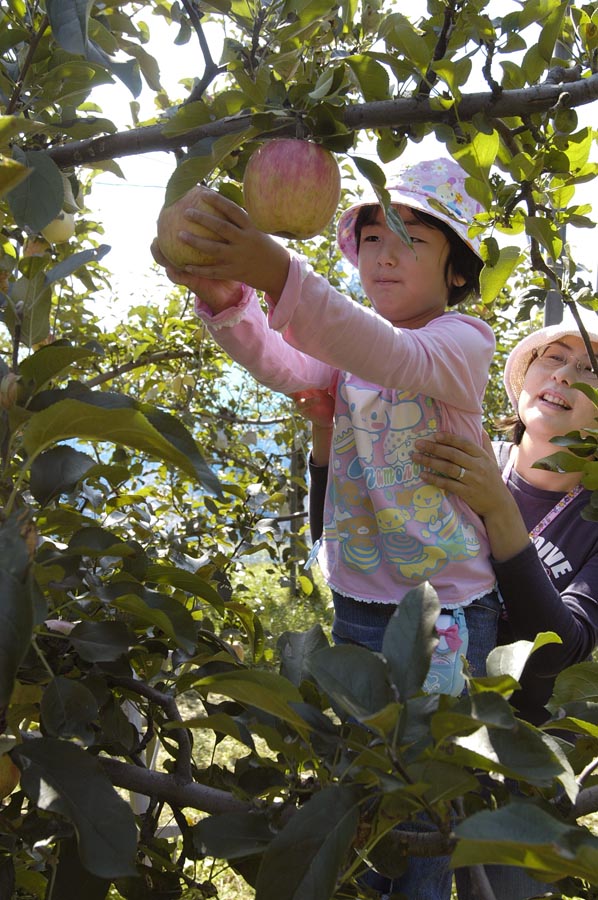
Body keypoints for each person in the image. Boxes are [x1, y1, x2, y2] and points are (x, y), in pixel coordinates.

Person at [151, 157, 499, 899]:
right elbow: (282, 361)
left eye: (411, 239)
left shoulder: (461, 343)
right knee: (369, 787)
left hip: (449, 612)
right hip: (362, 605)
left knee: (421, 799)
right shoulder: (347, 360)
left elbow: (387, 352)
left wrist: (279, 272)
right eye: (372, 239)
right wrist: (226, 295)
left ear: (459, 274)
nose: (385, 254)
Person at [299, 316, 598, 899]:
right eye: (551, 358)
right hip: (412, 741)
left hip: (516, 768)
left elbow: (562, 646)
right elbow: (358, 560)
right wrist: (323, 444)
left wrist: (498, 512)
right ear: (524, 376)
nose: (563, 374)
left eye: (589, 369)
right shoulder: (455, 451)